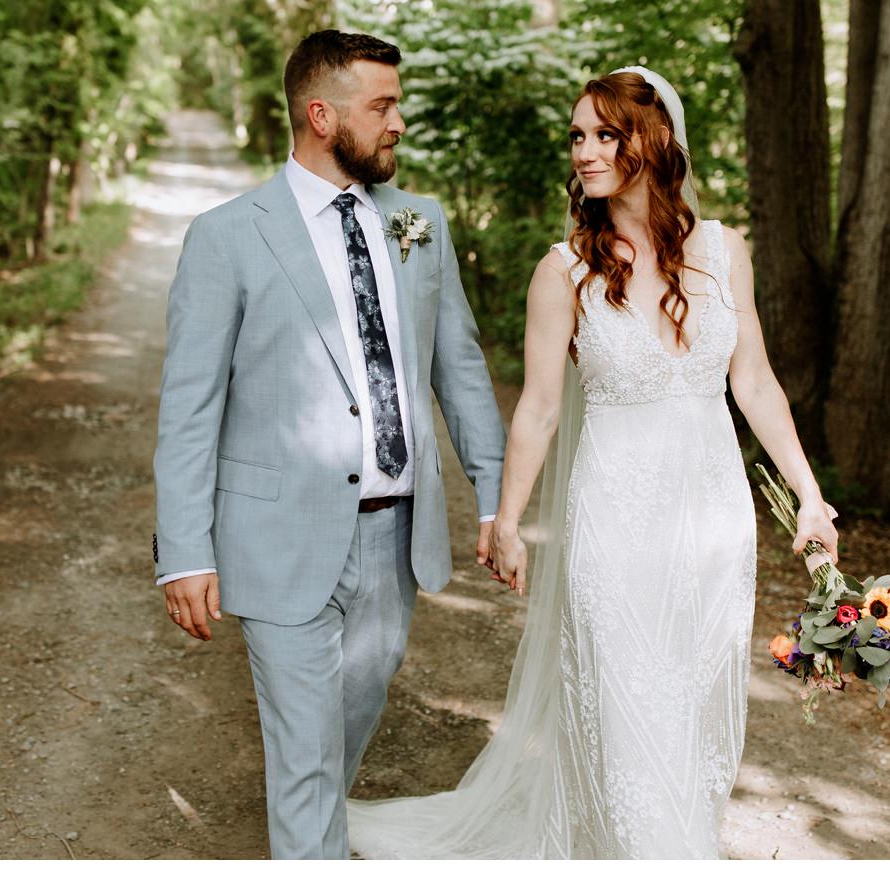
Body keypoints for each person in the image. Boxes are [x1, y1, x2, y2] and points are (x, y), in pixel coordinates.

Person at [347, 67, 839, 858]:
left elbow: (755, 383)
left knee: (697, 710)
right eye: (577, 136)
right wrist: (506, 518)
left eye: (604, 135)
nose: (584, 151)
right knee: (625, 705)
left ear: (653, 141)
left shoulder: (725, 251)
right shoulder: (564, 270)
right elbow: (539, 408)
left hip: (713, 520)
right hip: (612, 521)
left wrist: (809, 498)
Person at [151, 29, 506, 859]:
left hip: (395, 538)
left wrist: (496, 499)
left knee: (338, 738)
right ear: (321, 115)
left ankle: (307, 836)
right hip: (277, 538)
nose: (399, 123)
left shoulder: (422, 223)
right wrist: (184, 551)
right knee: (308, 760)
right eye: (381, 106)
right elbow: (190, 406)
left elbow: (459, 369)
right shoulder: (228, 235)